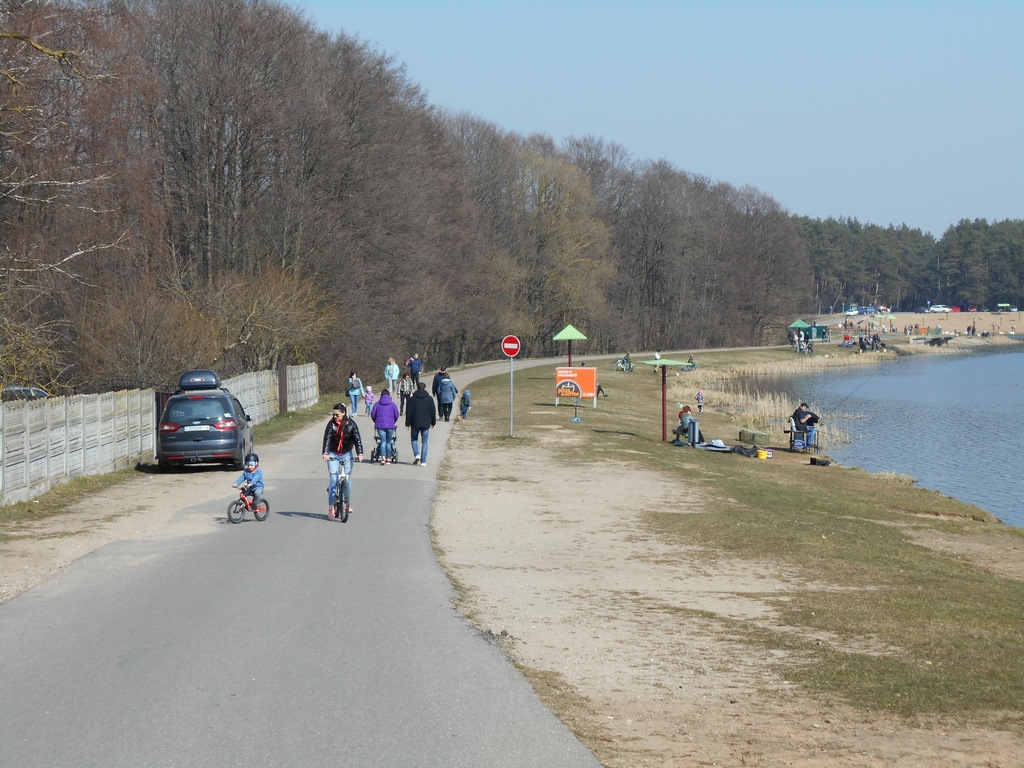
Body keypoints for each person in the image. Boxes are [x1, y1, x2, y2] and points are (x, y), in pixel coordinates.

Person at [322, 403, 364, 519]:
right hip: (333, 453)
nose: (334, 416)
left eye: (337, 414)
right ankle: (331, 506)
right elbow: (327, 439)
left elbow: (357, 439)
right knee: (334, 479)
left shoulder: (351, 425)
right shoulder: (331, 425)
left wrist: (360, 453)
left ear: (344, 413)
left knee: (347, 478)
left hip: (346, 454)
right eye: (333, 414)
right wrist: (325, 453)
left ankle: (346, 504)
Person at [405, 381, 436, 466]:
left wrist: (407, 423)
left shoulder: (412, 399)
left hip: (414, 422)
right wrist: (433, 422)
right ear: (425, 388)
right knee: (425, 442)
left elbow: (408, 412)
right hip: (426, 423)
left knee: (414, 439)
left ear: (417, 388)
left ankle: (416, 454)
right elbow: (433, 411)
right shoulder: (429, 399)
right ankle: (423, 461)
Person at [370, 388, 400, 464]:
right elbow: (396, 415)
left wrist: (376, 421)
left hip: (380, 426)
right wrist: (393, 421)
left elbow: (373, 414)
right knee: (389, 442)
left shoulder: (377, 404)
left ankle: (383, 458)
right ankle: (389, 458)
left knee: (383, 441)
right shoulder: (393, 404)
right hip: (390, 426)